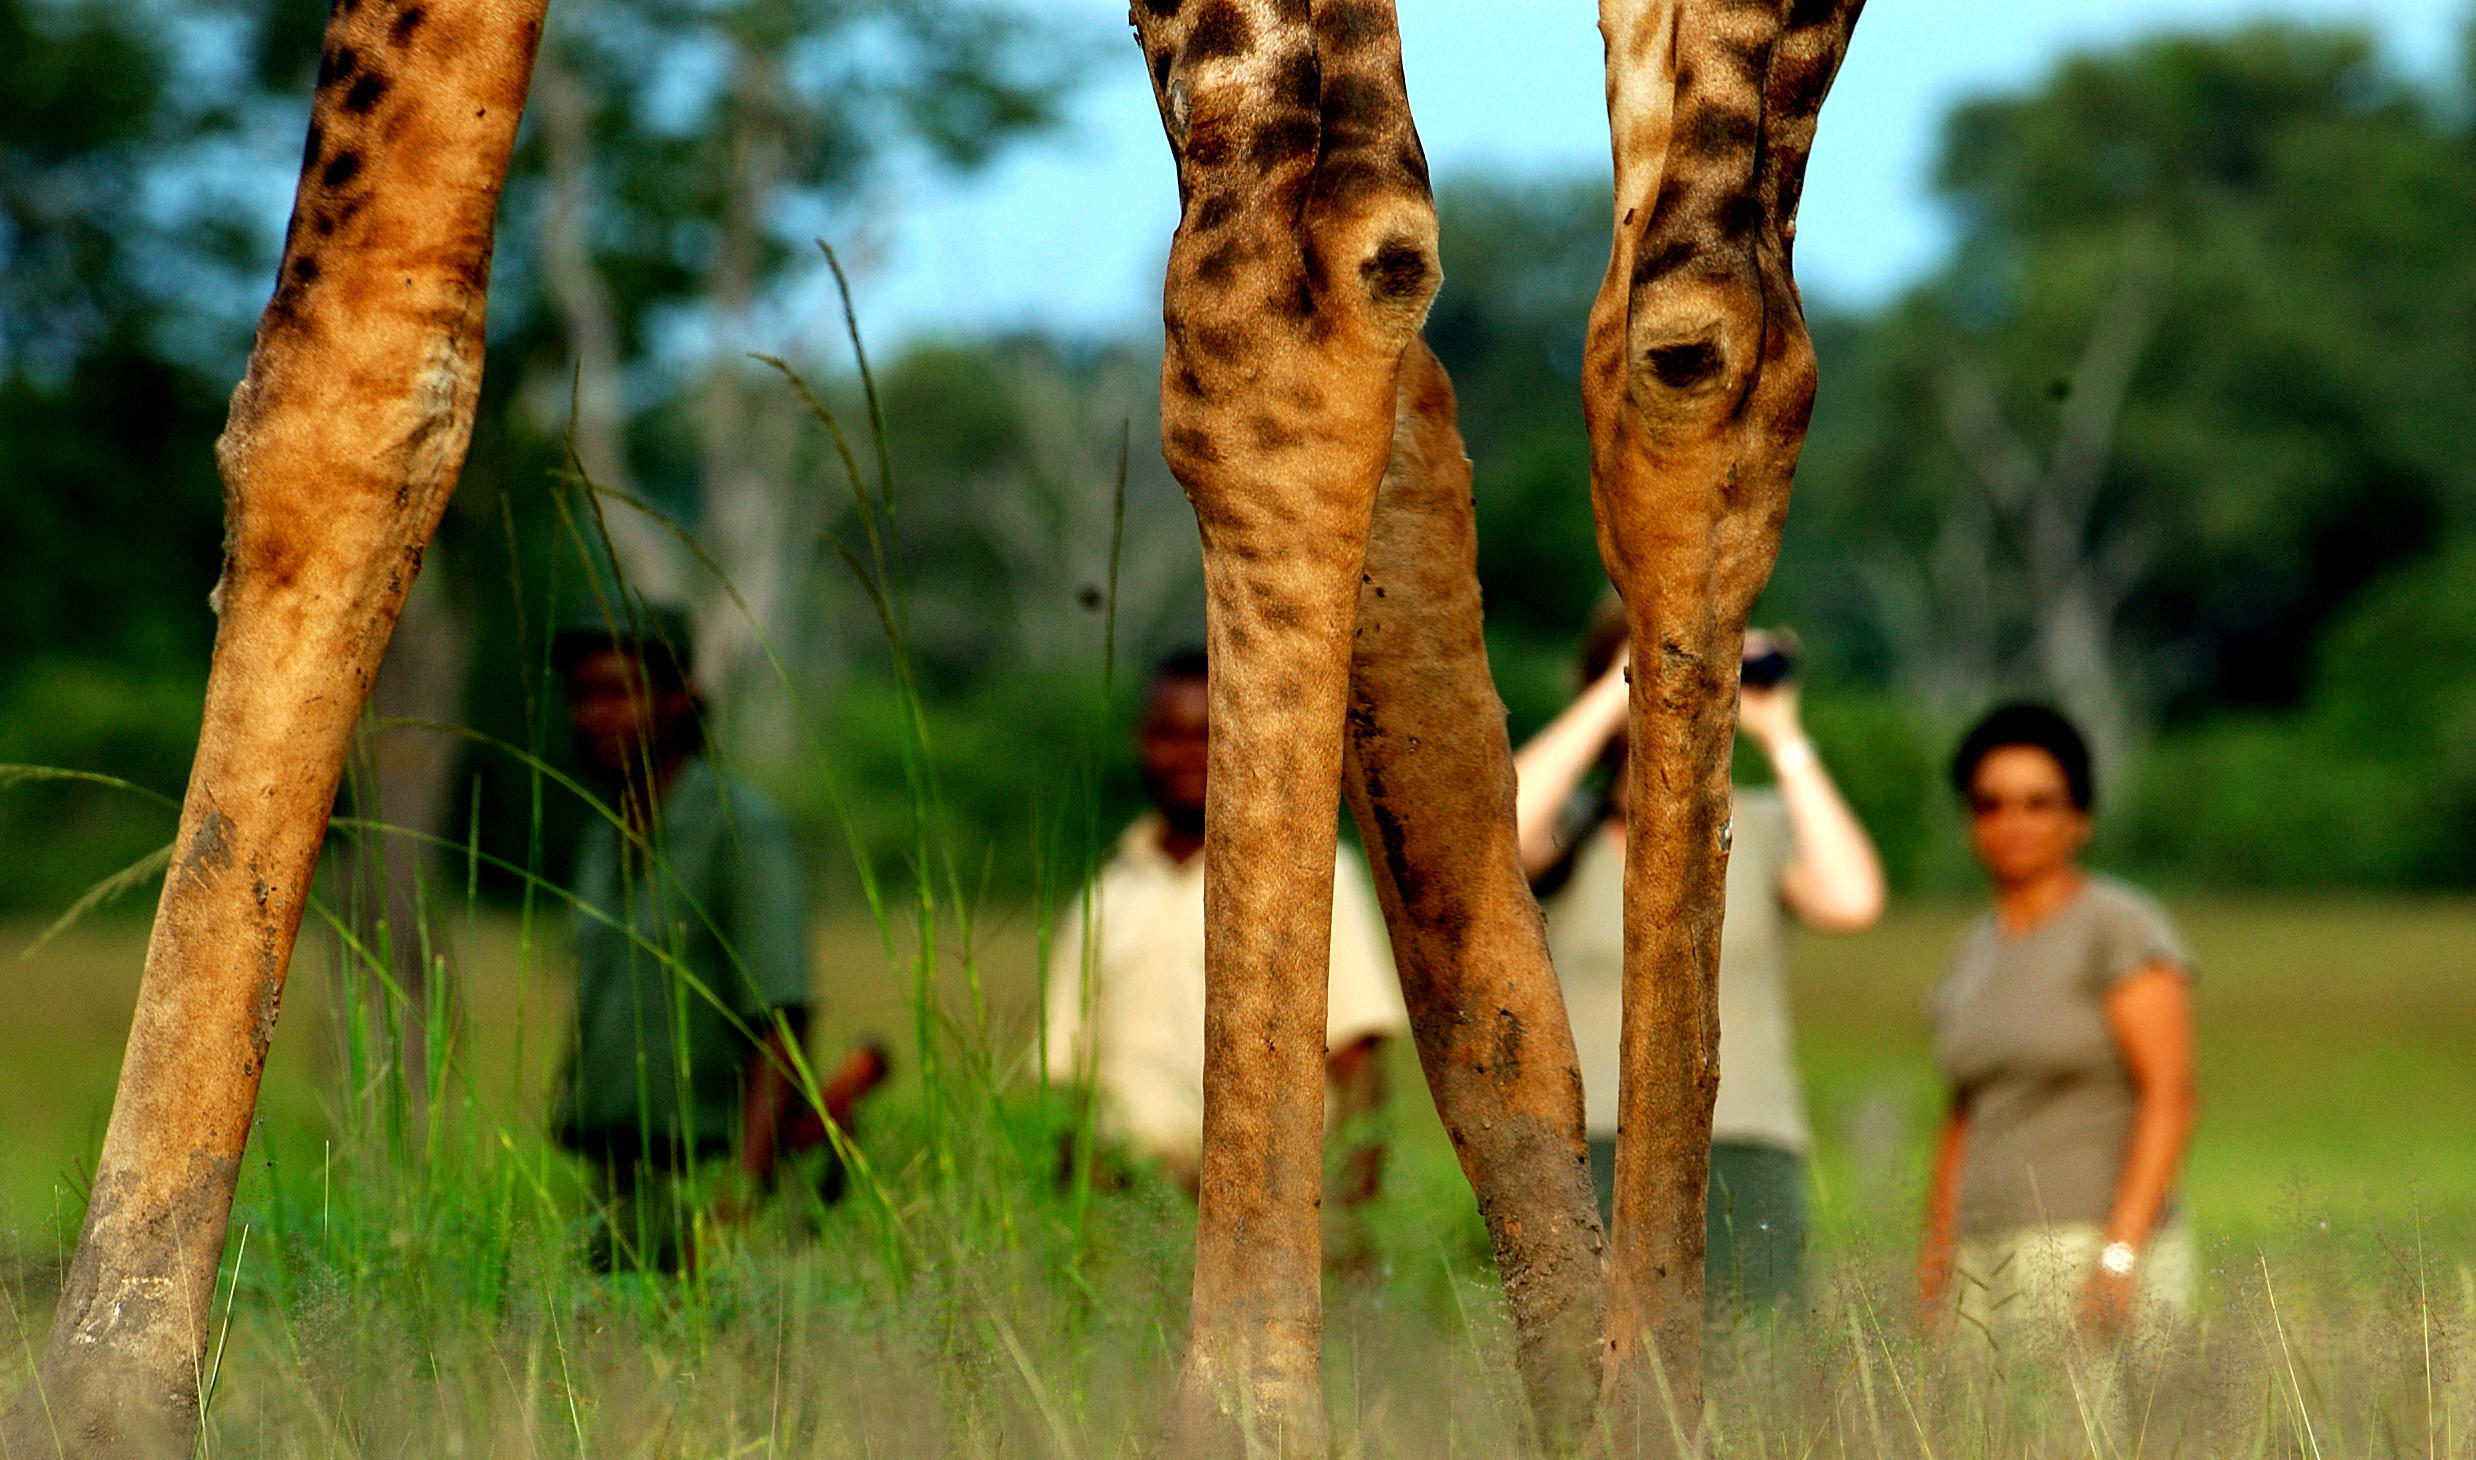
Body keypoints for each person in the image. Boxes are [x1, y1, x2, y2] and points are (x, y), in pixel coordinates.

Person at [1515, 606, 1884, 1310]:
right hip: (1585, 1147)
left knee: (1754, 1371)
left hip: (1741, 1141)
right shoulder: (1567, 834)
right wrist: (1619, 687)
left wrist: (1781, 734)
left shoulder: (1759, 825)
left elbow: (1851, 901)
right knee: (1588, 1369)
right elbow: (1499, 827)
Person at [551, 605, 878, 1271]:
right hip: (621, 1185)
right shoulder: (598, 839)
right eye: (580, 696)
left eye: (620, 692)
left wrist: (733, 1208)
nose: (595, 716)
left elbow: (781, 1030)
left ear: (680, 703)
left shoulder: (740, 830)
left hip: (719, 1179)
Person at [1041, 649, 1409, 1208]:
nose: (1190, 755)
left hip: (1272, 1207)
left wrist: (1348, 1213)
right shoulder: (1107, 898)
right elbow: (1071, 1081)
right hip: (1132, 1205)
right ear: (1142, 743)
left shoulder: (1309, 873)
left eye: (1211, 733)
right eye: (1171, 734)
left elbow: (1356, 1059)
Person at [1919, 703, 2198, 1355]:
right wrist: (1936, 1260)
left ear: (2079, 818)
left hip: (2083, 1239)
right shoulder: (1974, 949)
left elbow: (2170, 1095)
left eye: (2037, 803)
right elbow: (1963, 1113)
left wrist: (2121, 1255)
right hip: (1981, 1252)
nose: (2012, 823)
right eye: (1990, 805)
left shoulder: (2119, 928)